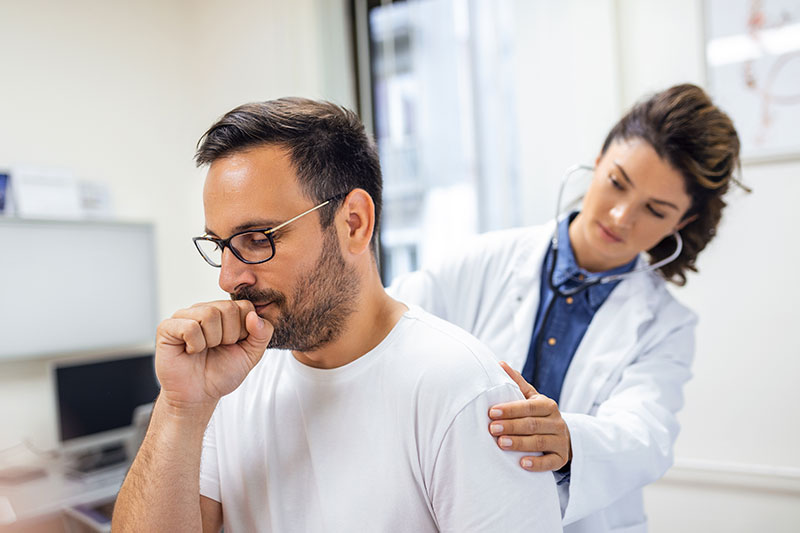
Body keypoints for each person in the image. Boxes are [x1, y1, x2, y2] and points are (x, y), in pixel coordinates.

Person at [112, 98, 562, 532]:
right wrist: (179, 409)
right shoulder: (229, 383)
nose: (229, 279)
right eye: (220, 245)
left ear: (353, 224)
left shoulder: (459, 389)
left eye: (256, 238)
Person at [389, 83, 745, 532]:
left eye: (654, 210)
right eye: (617, 183)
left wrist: (570, 439)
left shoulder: (666, 325)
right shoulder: (482, 260)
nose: (620, 217)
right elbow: (390, 326)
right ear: (597, 163)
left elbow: (647, 433)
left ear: (682, 221)